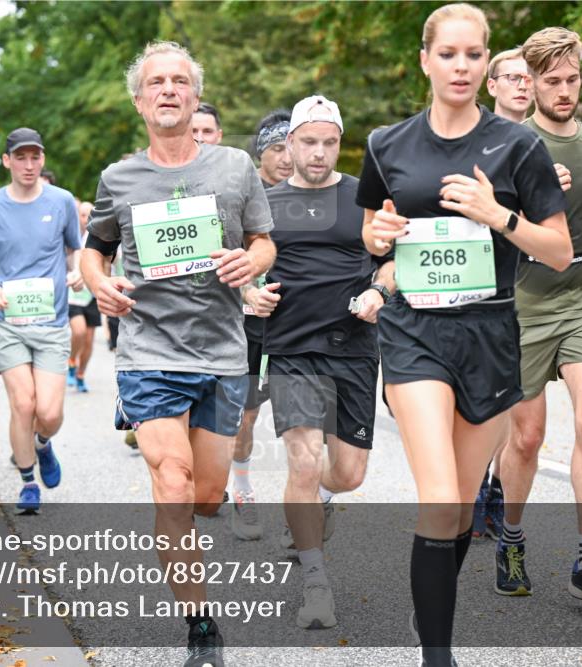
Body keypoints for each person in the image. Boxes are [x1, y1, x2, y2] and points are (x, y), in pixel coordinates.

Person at [359, 4, 572, 665]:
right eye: (447, 53)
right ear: (424, 60)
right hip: (414, 331)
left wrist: (497, 214)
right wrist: (377, 237)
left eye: (473, 54)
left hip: (489, 334)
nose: (460, 65)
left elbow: (560, 250)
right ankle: (438, 655)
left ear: (486, 63)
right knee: (440, 495)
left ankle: (431, 616)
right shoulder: (386, 144)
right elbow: (372, 236)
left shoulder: (519, 146)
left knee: (454, 512)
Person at [81, 41, 275, 667]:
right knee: (173, 481)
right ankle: (201, 629)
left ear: (194, 98)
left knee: (207, 497)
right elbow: (95, 250)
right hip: (147, 349)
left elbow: (263, 240)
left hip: (220, 351)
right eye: (156, 83)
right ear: (140, 100)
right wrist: (98, 283)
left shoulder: (235, 168)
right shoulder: (119, 178)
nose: (168, 90)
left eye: (179, 82)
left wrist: (253, 261)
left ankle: (183, 537)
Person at [496, 27, 582, 611]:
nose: (564, 91)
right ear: (529, 83)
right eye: (551, 81)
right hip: (523, 298)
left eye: (571, 79)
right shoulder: (507, 141)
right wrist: (527, 198)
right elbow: (486, 223)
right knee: (526, 438)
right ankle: (510, 540)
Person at [261, 95, 393, 629]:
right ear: (288, 143)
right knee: (302, 459)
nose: (319, 153)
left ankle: (319, 499)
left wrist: (379, 293)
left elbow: (390, 264)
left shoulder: (364, 199)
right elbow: (243, 264)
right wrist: (251, 291)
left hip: (354, 347)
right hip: (292, 346)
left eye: (329, 143)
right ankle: (315, 583)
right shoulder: (265, 203)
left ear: (341, 144)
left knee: (347, 474)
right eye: (308, 142)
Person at [0, 127, 81, 512]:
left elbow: (77, 249)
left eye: (35, 157)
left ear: (43, 159)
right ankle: (27, 482)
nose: (29, 165)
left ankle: (42, 444)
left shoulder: (62, 201)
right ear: (7, 161)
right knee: (23, 404)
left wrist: (79, 271)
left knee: (48, 413)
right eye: (21, 157)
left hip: (50, 322)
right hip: (6, 321)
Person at [470, 46, 535, 540]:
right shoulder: (474, 139)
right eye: (510, 76)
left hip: (534, 286)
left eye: (527, 76)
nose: (522, 84)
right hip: (477, 286)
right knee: (483, 402)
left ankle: (492, 490)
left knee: (516, 408)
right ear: (491, 85)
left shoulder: (544, 142)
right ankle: (471, 488)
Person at [226, 108, 295, 539]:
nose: (287, 156)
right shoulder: (241, 194)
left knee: (303, 420)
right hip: (249, 323)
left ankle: (303, 508)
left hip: (296, 324)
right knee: (246, 418)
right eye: (276, 148)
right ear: (260, 154)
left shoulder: (311, 194)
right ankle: (244, 488)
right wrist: (246, 291)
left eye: (292, 145)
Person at [67, 200, 100, 392]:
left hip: (91, 293)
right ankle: (71, 360)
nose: (87, 219)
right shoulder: (69, 236)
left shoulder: (97, 236)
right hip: (72, 294)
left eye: (90, 215)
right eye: (83, 214)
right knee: (78, 331)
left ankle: (80, 374)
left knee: (89, 339)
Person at [254, 109, 294, 188]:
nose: (287, 160)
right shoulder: (244, 188)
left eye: (293, 150)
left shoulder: (309, 189)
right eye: (278, 150)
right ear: (260, 153)